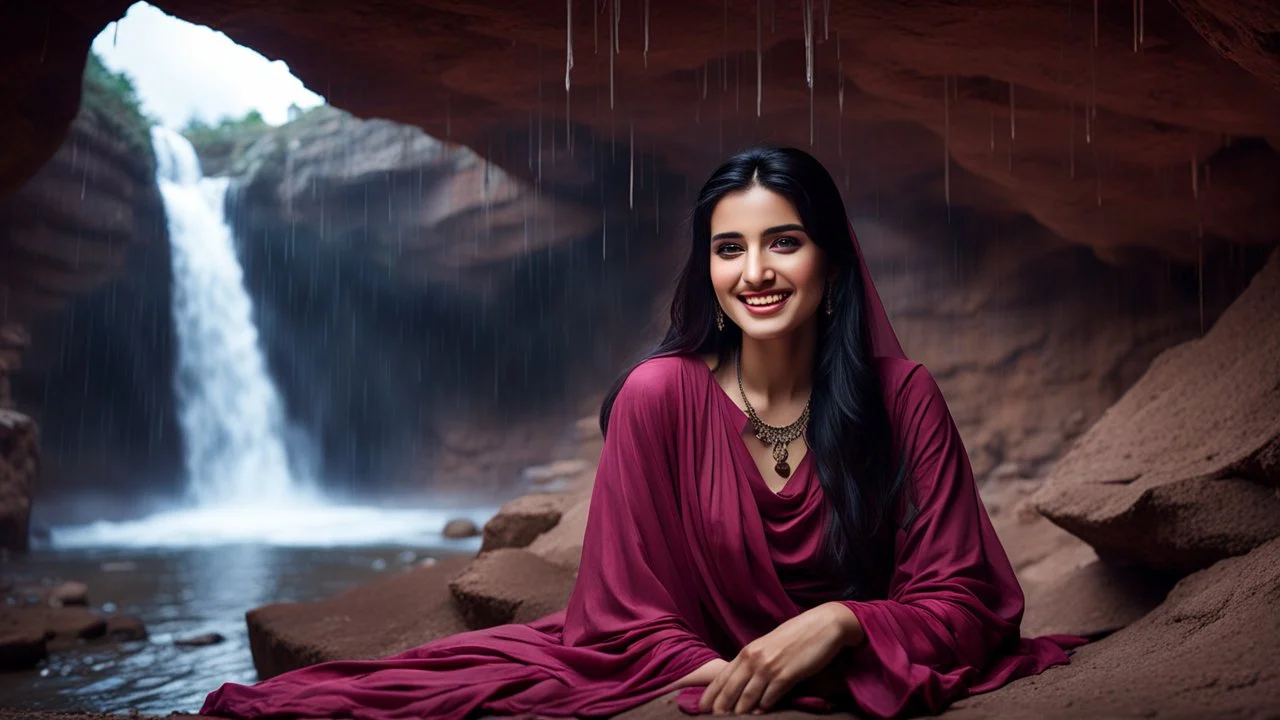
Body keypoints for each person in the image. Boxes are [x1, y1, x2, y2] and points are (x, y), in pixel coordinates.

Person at [201, 146, 1086, 719]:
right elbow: (626, 625)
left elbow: (969, 605)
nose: (756, 273)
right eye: (728, 249)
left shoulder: (905, 398)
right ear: (706, 268)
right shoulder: (658, 398)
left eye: (784, 243)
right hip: (697, 678)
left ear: (833, 260)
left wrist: (844, 625)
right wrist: (735, 677)